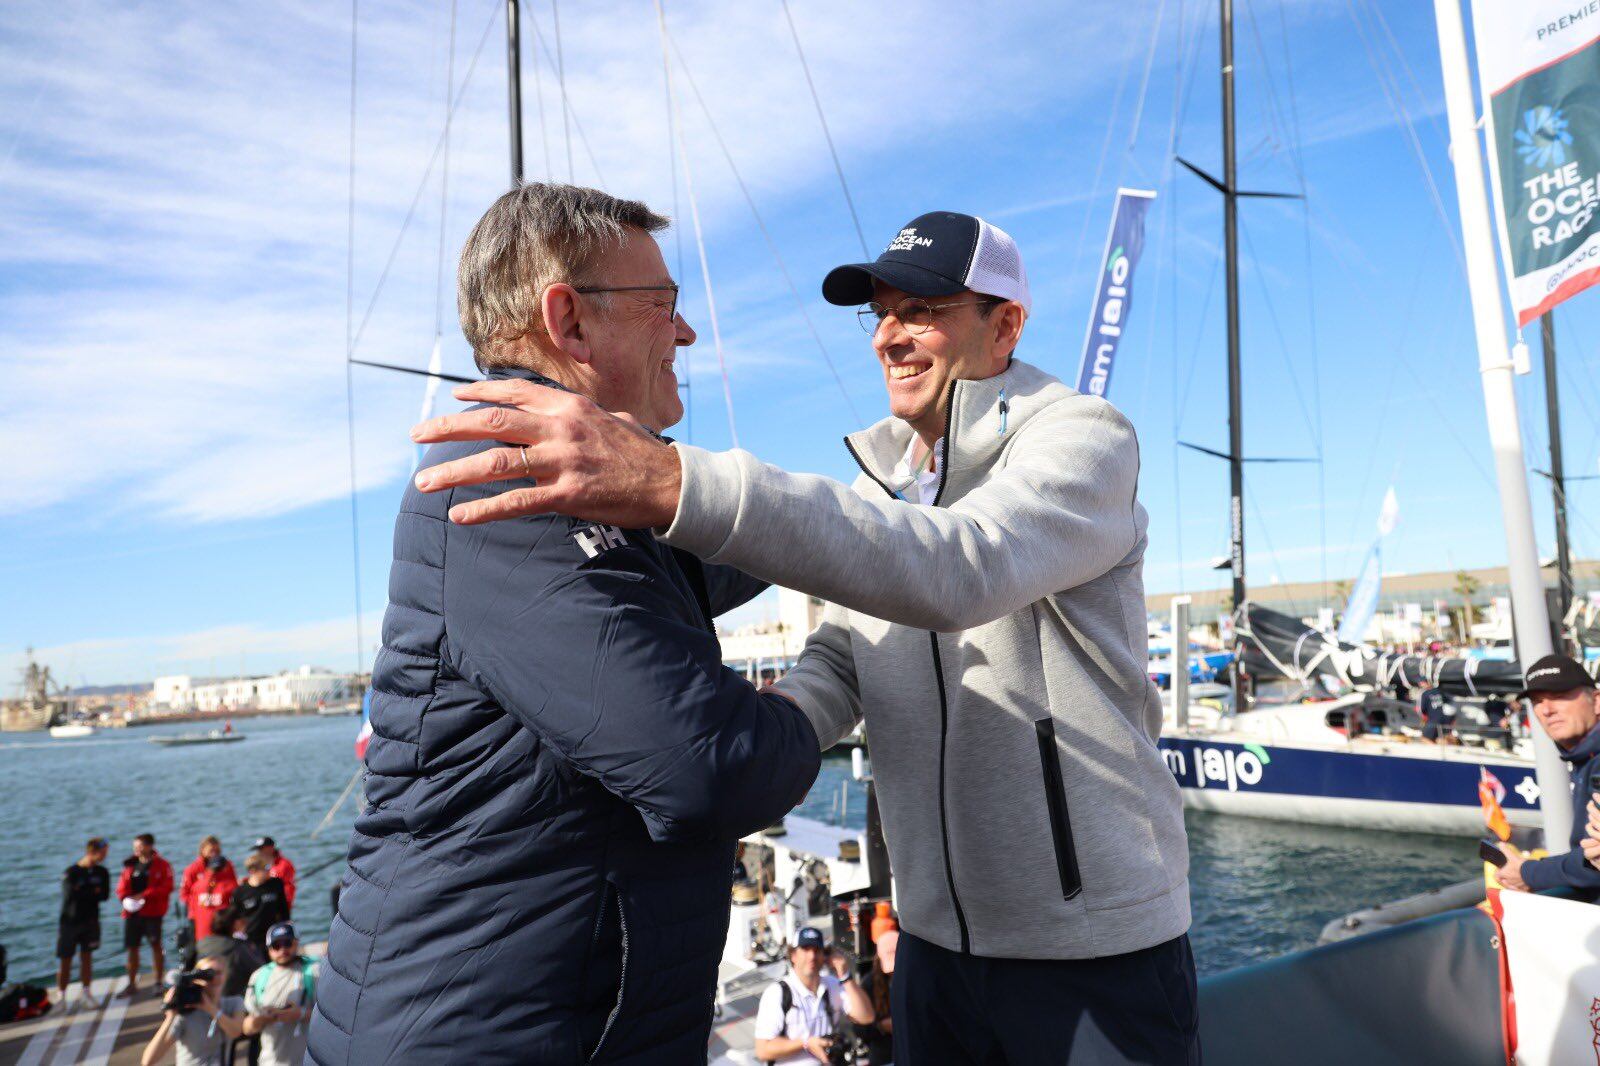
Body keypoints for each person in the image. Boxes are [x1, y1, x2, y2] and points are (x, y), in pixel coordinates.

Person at [411, 209, 1200, 1063]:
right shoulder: (886, 485)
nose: (890, 338)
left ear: (1005, 324)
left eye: (923, 312)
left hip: (1091, 947)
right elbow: (845, 656)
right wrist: (759, 734)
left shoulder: (1081, 437)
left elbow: (965, 569)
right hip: (934, 948)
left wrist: (670, 479)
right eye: (883, 314)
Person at [307, 183, 822, 1064]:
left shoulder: (594, 499)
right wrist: (828, 689)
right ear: (570, 324)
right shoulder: (505, 484)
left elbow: (753, 546)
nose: (686, 334)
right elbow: (704, 767)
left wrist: (895, 520)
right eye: (664, 306)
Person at [1497, 654, 1600, 894]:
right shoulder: (1586, 757)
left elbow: (1593, 864)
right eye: (1537, 701)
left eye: (1559, 696)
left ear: (1597, 702)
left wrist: (1527, 873)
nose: (1546, 710)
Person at [753, 927, 875, 1065]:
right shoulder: (777, 993)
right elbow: (762, 1050)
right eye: (805, 949)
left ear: (825, 956)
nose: (812, 956)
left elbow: (866, 1017)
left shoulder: (832, 985)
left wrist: (845, 975)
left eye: (817, 950)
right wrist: (806, 1043)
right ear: (793, 955)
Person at [139, 954, 247, 1066]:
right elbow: (148, 1061)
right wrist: (170, 1017)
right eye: (207, 975)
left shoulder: (233, 1003)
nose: (214, 979)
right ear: (197, 979)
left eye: (218, 973)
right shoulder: (186, 1013)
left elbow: (235, 1031)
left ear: (226, 976)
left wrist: (211, 1009)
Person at [242, 923, 317, 1066]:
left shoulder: (314, 970)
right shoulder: (258, 977)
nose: (282, 949)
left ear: (296, 943)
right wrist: (262, 1019)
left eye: (287, 943)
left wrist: (300, 1014)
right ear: (269, 949)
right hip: (270, 1061)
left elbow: (333, 1017)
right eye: (276, 945)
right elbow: (247, 1027)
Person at [117, 832, 173, 998]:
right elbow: (121, 887)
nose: (137, 849)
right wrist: (125, 898)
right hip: (132, 914)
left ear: (149, 847)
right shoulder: (130, 866)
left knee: (156, 946)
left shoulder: (162, 865)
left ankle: (158, 982)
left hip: (153, 913)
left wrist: (144, 895)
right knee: (132, 948)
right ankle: (132, 983)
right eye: (135, 846)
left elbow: (166, 887)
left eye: (140, 846)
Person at [56, 837, 110, 1007]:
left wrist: (85, 891)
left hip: (91, 921)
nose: (105, 856)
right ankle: (62, 996)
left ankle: (86, 992)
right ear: (92, 852)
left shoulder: (102, 873)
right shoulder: (71, 872)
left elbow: (104, 895)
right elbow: (70, 895)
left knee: (87, 957)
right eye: (102, 853)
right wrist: (92, 891)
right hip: (70, 923)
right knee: (66, 959)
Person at [230, 854, 289, 946]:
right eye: (266, 867)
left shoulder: (276, 884)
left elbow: (284, 910)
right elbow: (237, 919)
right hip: (252, 940)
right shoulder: (240, 892)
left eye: (269, 866)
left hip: (275, 936)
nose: (269, 870)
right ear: (253, 871)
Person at [859, 929, 898, 1066]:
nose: (893, 972)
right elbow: (860, 1029)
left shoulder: (915, 979)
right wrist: (881, 1026)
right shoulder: (869, 983)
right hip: (884, 1056)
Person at [250, 837, 295, 908]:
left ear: (271, 848)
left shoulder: (284, 865)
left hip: (278, 907)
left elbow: (287, 889)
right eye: (258, 849)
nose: (259, 852)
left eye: (261, 849)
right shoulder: (260, 864)